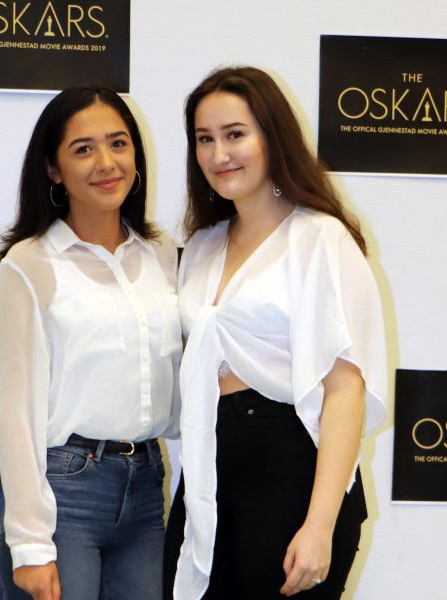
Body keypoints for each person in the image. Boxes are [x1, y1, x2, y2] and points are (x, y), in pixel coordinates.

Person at [163, 67, 387, 599]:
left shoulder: (321, 238)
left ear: (272, 136)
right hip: (209, 472)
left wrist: (320, 525)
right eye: (205, 139)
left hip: (292, 467)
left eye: (235, 134)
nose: (219, 154)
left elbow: (345, 389)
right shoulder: (202, 246)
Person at [0, 85, 182, 600]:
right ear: (53, 169)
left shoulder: (163, 255)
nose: (106, 163)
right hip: (67, 493)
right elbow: (16, 410)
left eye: (118, 143)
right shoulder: (31, 264)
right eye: (83, 149)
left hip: (147, 485)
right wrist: (30, 544)